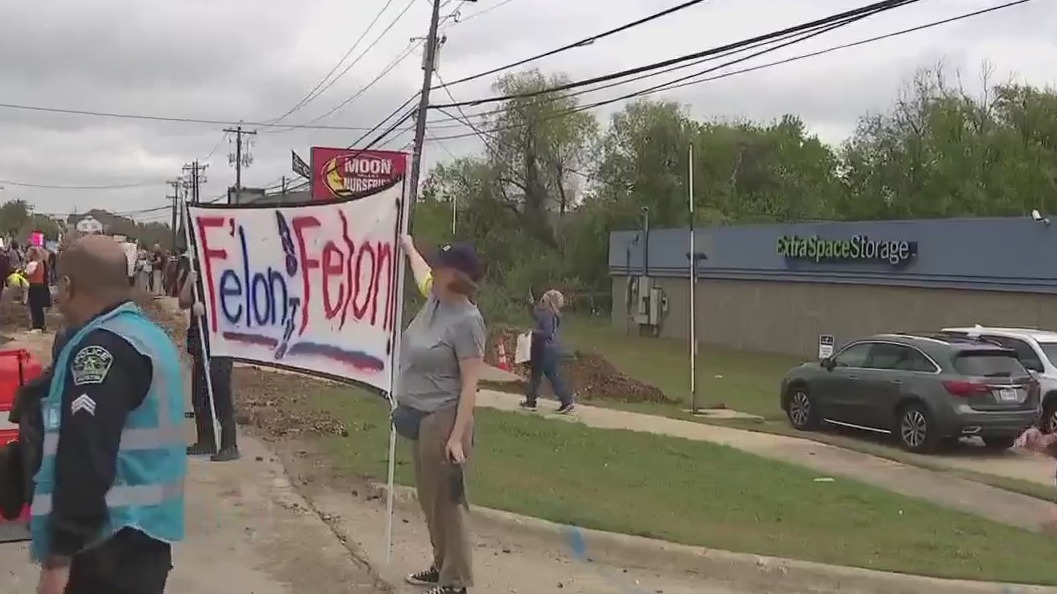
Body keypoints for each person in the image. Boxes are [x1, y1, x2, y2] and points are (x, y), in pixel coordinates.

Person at [30, 235, 186, 594]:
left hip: (105, 545)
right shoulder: (147, 336)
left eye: (57, 285)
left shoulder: (100, 350)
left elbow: (86, 457)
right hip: (144, 538)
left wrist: (59, 558)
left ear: (67, 285)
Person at [393, 236, 485, 594]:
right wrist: (408, 247)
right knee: (430, 502)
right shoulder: (435, 298)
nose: (433, 268)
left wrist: (457, 438)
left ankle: (457, 581)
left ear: (454, 276)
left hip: (445, 422)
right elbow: (420, 272)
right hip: (420, 419)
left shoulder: (468, 322)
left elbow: (470, 385)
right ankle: (440, 564)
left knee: (449, 504)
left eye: (440, 265)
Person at [179, 257, 240, 461]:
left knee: (220, 393)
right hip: (200, 341)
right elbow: (182, 302)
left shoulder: (228, 273)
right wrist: (190, 281)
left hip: (220, 342)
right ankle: (206, 440)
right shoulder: (196, 270)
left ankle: (229, 444)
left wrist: (209, 310)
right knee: (199, 395)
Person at [520, 289, 575, 414]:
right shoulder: (549, 314)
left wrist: (532, 333)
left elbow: (547, 333)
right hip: (550, 349)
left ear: (549, 302)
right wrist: (530, 304)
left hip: (546, 349)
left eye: (543, 300)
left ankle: (567, 401)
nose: (541, 302)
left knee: (548, 376)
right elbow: (535, 315)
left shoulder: (548, 316)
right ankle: (531, 400)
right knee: (538, 375)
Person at [25, 246, 51, 333]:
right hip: (40, 285)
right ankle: (41, 325)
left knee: (34, 306)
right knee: (39, 307)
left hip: (33, 286)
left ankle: (36, 325)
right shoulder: (41, 263)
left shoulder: (32, 264)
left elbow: (26, 273)